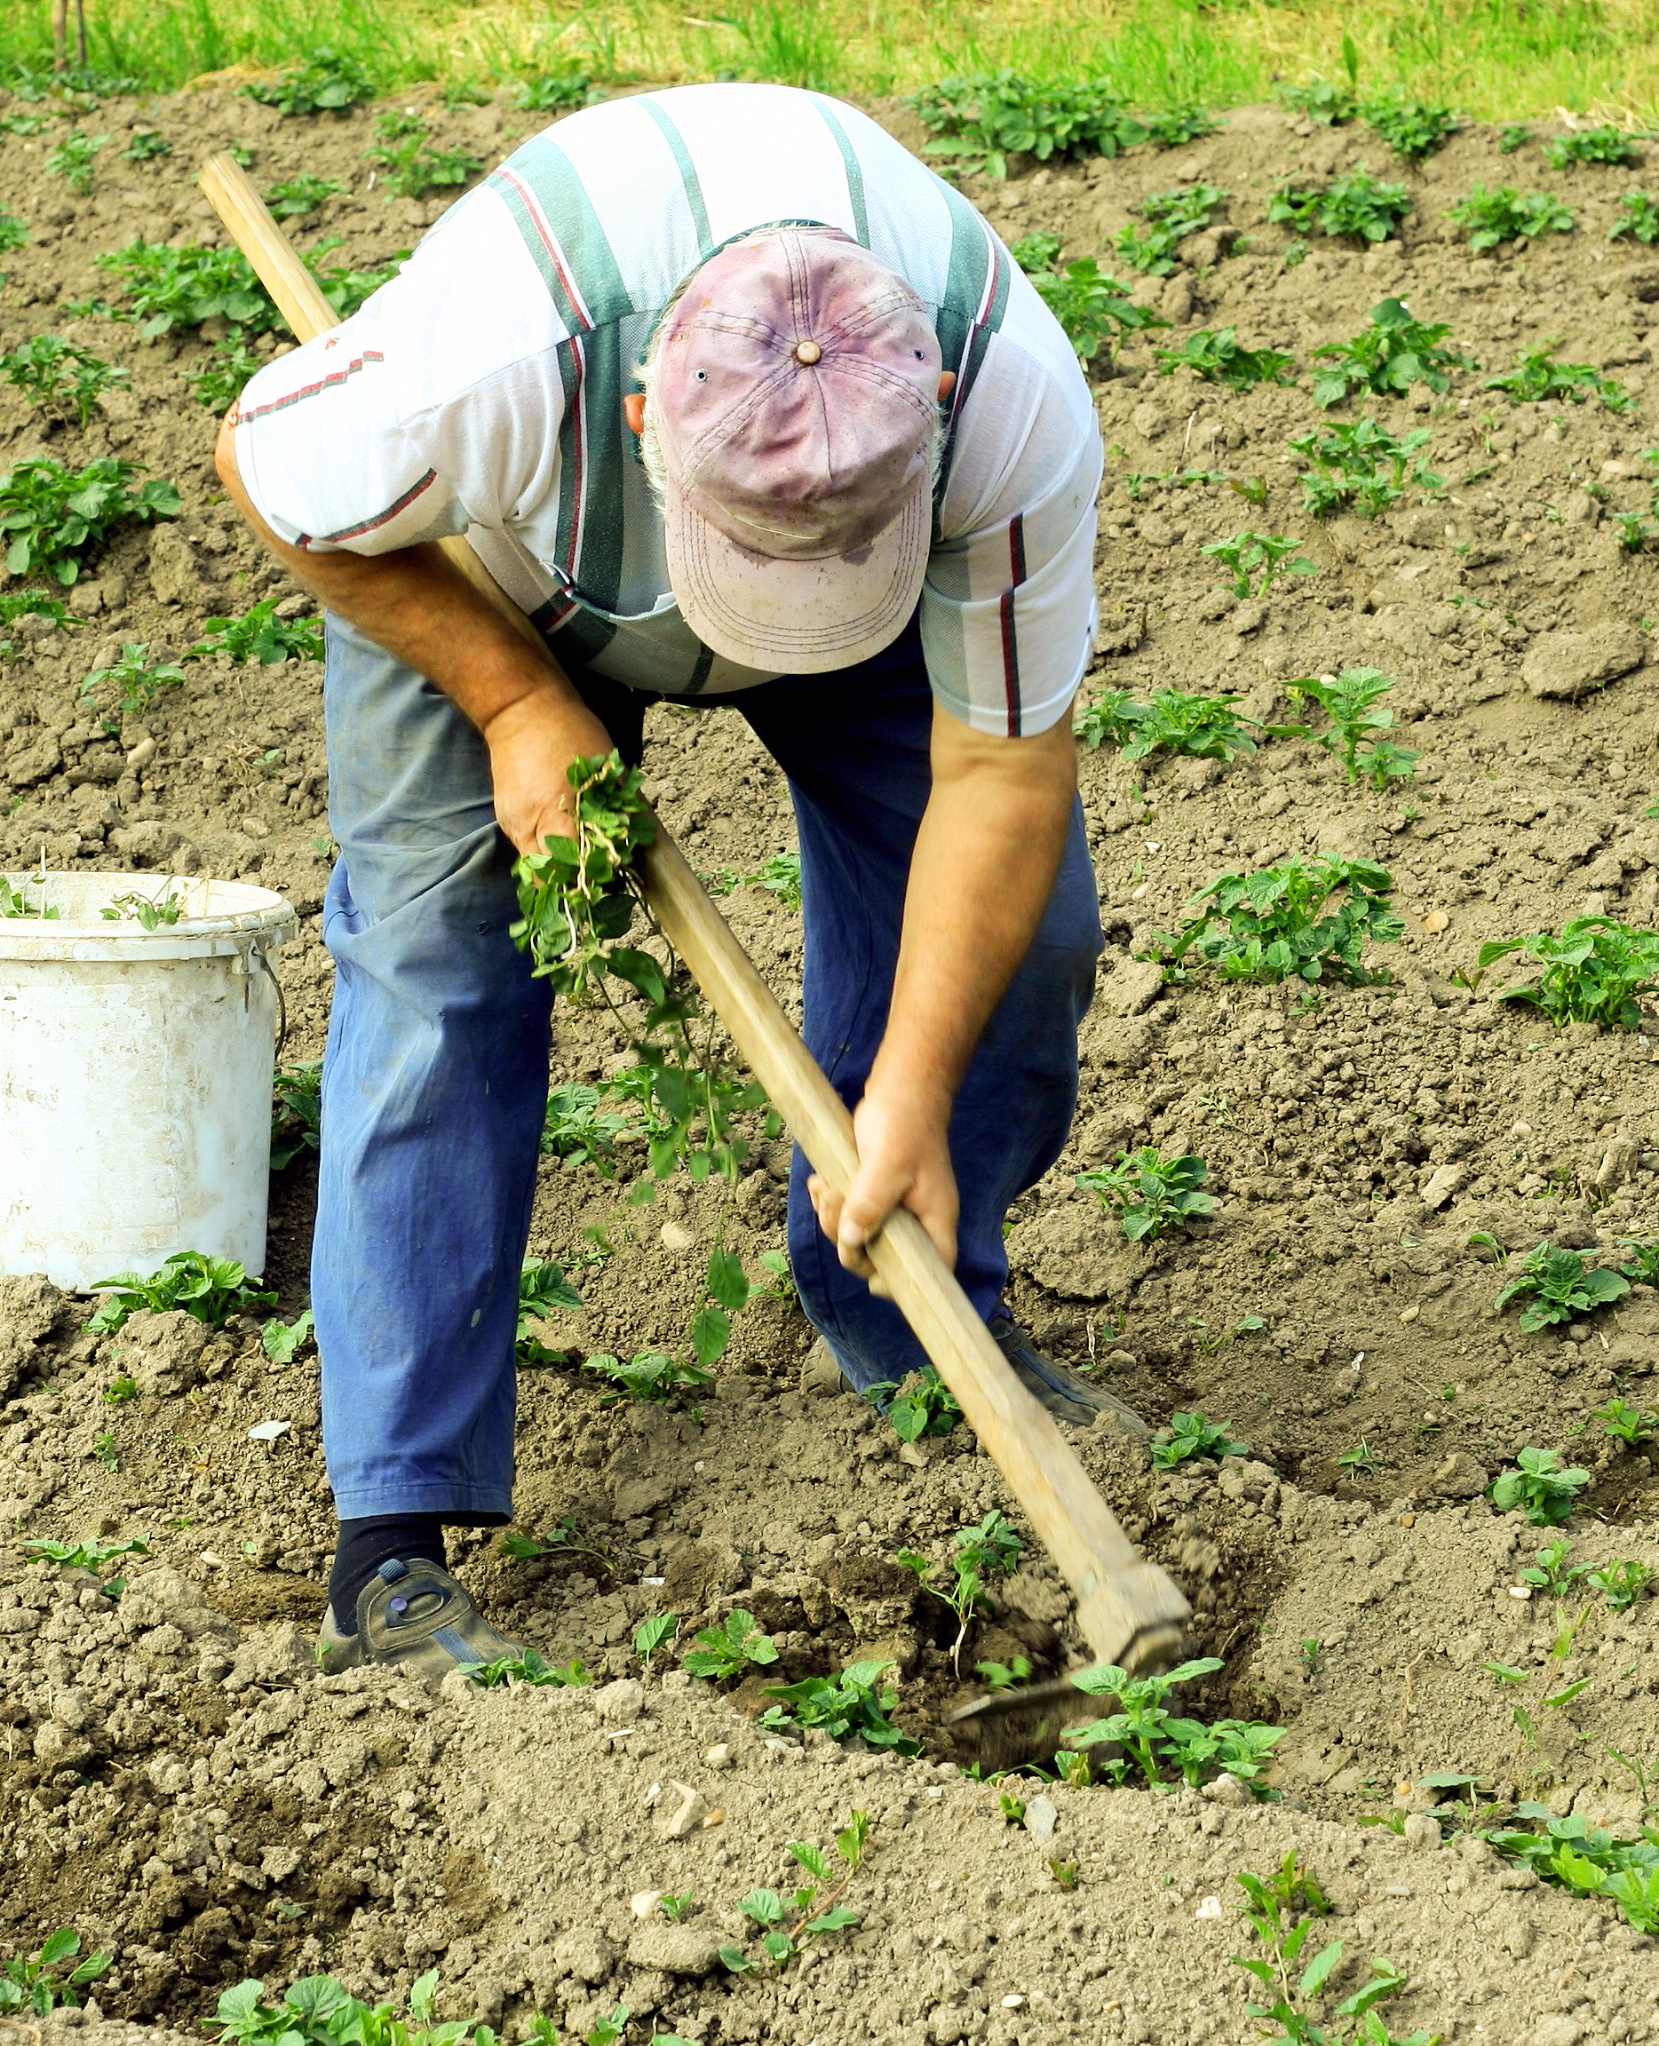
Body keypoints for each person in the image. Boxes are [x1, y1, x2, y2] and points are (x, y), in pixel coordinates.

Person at [215, 80, 1143, 1679]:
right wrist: (512, 699)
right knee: (440, 969)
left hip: (871, 589)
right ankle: (392, 1530)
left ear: (926, 400)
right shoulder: (491, 358)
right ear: (643, 410)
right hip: (505, 568)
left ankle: (913, 1320)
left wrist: (909, 1092)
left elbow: (998, 776)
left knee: (1026, 936)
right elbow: (266, 462)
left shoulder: (1007, 399)